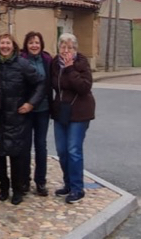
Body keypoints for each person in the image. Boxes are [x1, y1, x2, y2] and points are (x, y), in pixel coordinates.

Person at [0, 33, 45, 205]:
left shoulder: (22, 64)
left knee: (17, 157)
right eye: (2, 43)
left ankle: (18, 189)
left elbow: (40, 83)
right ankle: (3, 187)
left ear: (13, 46)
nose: (5, 46)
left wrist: (31, 104)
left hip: (17, 117)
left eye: (8, 43)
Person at [50, 33, 95, 204]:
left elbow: (84, 87)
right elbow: (53, 86)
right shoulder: (55, 63)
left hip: (79, 112)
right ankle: (68, 184)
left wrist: (70, 69)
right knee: (62, 150)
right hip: (61, 111)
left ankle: (77, 188)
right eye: (63, 47)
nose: (66, 51)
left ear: (75, 49)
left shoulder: (81, 63)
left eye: (70, 47)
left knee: (73, 150)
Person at [19, 31, 54, 197]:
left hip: (43, 109)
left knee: (41, 145)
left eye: (37, 43)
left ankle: (40, 181)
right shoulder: (21, 60)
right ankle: (24, 180)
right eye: (31, 42)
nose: (34, 45)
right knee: (25, 146)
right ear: (26, 45)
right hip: (26, 109)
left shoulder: (47, 60)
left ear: (41, 45)